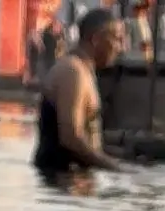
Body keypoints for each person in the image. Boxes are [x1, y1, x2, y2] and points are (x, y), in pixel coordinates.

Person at [33, 7, 126, 176]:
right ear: (96, 39)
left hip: (75, 182)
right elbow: (71, 138)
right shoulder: (73, 72)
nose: (121, 47)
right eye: (117, 39)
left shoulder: (82, 71)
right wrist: (116, 169)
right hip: (63, 186)